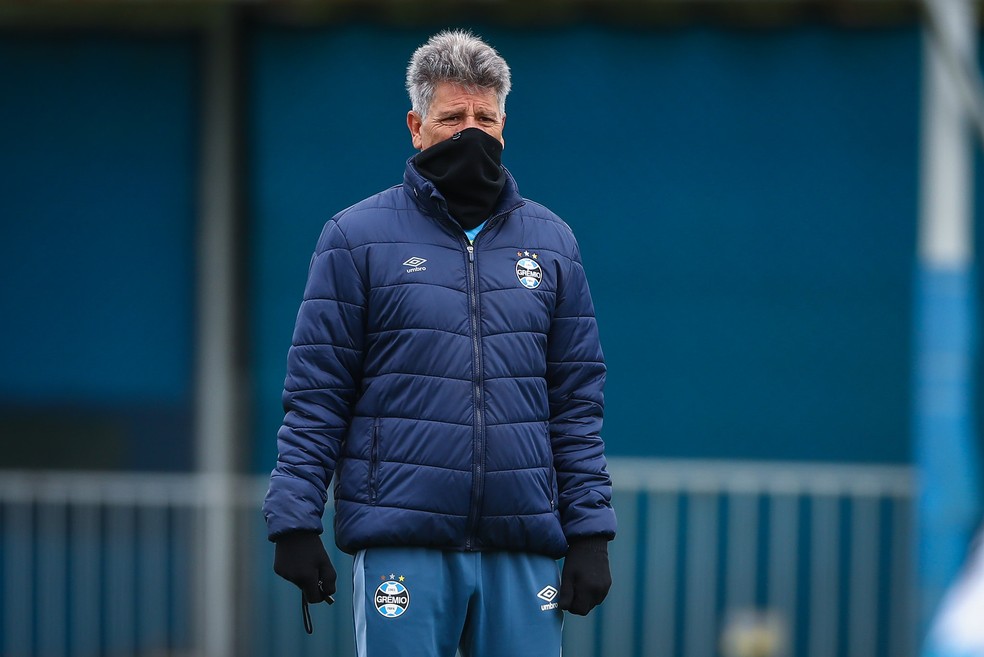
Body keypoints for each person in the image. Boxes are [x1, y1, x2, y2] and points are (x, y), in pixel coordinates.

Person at [262, 29, 616, 657]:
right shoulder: (355, 238)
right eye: (453, 118)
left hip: (522, 542)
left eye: (485, 118)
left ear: (504, 125)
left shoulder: (553, 243)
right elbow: (317, 396)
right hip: (402, 539)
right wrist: (294, 520)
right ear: (416, 126)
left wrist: (590, 533)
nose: (470, 133)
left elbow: (576, 406)